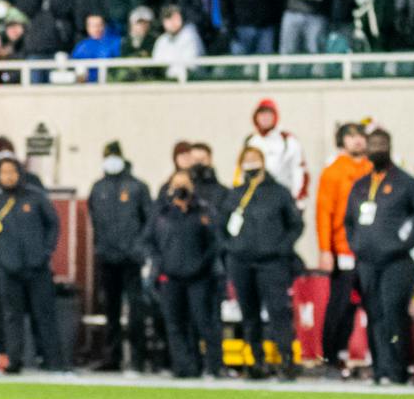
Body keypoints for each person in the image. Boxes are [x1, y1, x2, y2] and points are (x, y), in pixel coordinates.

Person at [344, 128, 414, 385]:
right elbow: (349, 220)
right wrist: (356, 244)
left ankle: (398, 369)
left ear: (390, 146)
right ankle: (380, 368)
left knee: (393, 312)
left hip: (397, 261)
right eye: (373, 144)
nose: (377, 149)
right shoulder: (361, 185)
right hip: (367, 261)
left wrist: (404, 243)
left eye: (382, 144)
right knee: (374, 314)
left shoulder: (406, 183)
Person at [0, 153, 67, 373]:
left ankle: (53, 361)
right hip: (8, 271)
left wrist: (45, 253)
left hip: (38, 269)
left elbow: (53, 225)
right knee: (11, 317)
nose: (8, 176)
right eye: (4, 172)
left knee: (44, 315)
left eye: (12, 172)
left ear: (19, 174)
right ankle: (14, 361)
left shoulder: (35, 197)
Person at [221, 146, 305, 380]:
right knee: (249, 314)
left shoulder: (278, 193)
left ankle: (286, 360)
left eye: (254, 159)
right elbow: (221, 226)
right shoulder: (235, 194)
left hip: (272, 263)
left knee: (278, 312)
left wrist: (281, 247)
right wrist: (231, 247)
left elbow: (295, 225)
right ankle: (255, 361)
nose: (250, 164)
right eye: (246, 159)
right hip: (241, 262)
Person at [141, 171, 224, 378]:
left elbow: (215, 242)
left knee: (204, 322)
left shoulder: (204, 211)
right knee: (175, 324)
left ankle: (213, 366)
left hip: (200, 277)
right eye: (176, 185)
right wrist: (159, 262)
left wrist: (202, 264)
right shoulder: (161, 213)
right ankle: (184, 367)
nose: (180, 189)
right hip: (170, 277)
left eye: (184, 184)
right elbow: (147, 241)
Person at [87, 141, 153, 372]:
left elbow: (148, 221)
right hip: (107, 257)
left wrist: (139, 248)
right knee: (111, 310)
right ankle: (112, 357)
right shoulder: (98, 188)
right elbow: (95, 221)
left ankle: (137, 358)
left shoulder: (137, 187)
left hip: (131, 259)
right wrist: (101, 248)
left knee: (136, 310)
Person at [315, 123, 372, 375]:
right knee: (340, 307)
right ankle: (330, 356)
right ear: (342, 141)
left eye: (360, 136)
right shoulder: (333, 172)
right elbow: (324, 212)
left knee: (375, 307)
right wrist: (325, 249)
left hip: (370, 251)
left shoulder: (373, 168)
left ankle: (374, 358)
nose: (357, 141)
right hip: (344, 249)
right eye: (351, 136)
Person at [242, 98, 310, 207]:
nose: (265, 118)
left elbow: (299, 171)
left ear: (275, 116)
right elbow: (243, 173)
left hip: (284, 201)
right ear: (256, 117)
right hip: (257, 201)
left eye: (268, 114)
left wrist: (297, 201)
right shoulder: (252, 142)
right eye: (262, 114)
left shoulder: (288, 141)